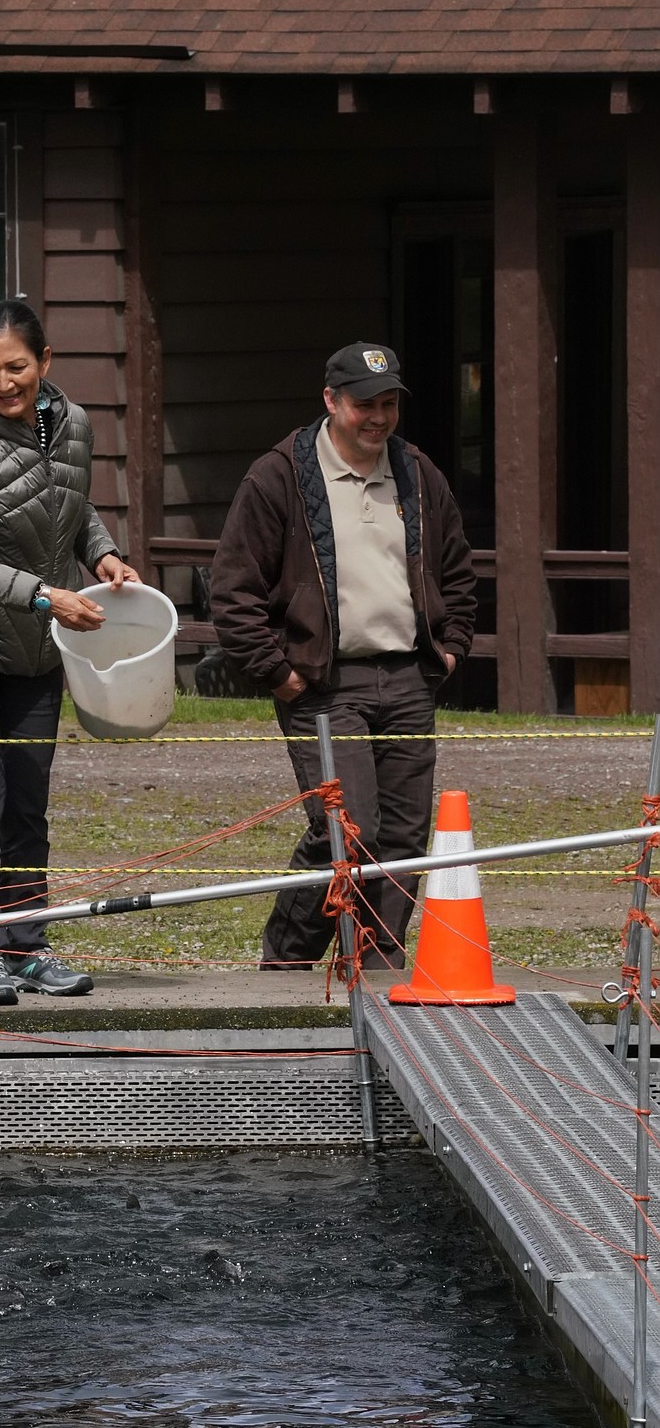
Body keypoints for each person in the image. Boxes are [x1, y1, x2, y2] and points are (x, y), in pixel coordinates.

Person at [209, 341, 476, 972]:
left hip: (409, 676)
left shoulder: (417, 472)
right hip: (322, 683)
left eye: (388, 403)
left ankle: (377, 966)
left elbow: (459, 573)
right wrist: (279, 672)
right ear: (331, 401)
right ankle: (287, 963)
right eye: (364, 404)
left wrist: (453, 649)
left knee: (406, 840)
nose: (378, 417)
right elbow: (232, 588)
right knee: (348, 833)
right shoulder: (278, 475)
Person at [0, 299, 141, 1006]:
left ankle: (30, 945)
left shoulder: (68, 423)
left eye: (17, 367)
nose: (4, 382)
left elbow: (69, 505)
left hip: (38, 647)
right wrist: (47, 595)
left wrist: (101, 555)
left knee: (29, 803)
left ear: (46, 363)